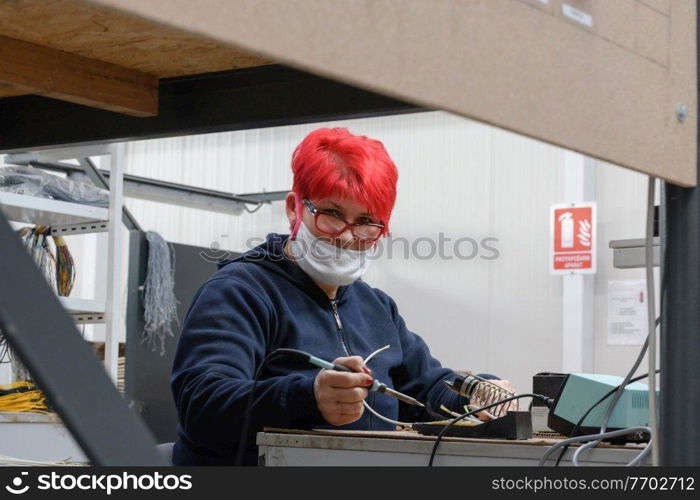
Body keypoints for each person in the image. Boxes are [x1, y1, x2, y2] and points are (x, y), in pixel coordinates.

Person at [170, 127, 515, 466]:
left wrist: (477, 394)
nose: (348, 237)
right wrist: (306, 396)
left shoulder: (376, 308)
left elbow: (424, 391)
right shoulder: (241, 291)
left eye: (366, 222)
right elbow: (202, 404)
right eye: (331, 216)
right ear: (294, 209)